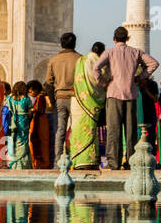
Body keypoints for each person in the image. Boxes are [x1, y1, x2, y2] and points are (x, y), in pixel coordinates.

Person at [94, 28, 158, 169]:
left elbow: (96, 67)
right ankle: (130, 162)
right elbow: (153, 63)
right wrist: (140, 77)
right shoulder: (136, 52)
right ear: (127, 38)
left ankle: (113, 163)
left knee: (113, 130)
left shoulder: (109, 52)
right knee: (131, 131)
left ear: (114, 38)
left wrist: (104, 83)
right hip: (131, 93)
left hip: (114, 93)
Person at [69, 42, 106, 169]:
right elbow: (101, 79)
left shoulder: (80, 60)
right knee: (89, 129)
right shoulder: (97, 60)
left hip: (76, 100)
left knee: (77, 128)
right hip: (90, 102)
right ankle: (88, 160)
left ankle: (77, 159)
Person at [44, 32, 80, 163]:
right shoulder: (80, 59)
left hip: (60, 98)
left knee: (60, 130)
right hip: (76, 99)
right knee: (77, 128)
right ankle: (76, 159)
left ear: (61, 44)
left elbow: (49, 83)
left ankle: (58, 161)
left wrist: (53, 101)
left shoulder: (54, 60)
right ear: (74, 43)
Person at [6, 81, 32, 169]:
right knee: (23, 144)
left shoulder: (9, 99)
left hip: (11, 124)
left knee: (12, 143)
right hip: (23, 124)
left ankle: (13, 164)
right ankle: (22, 165)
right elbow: (30, 113)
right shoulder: (26, 100)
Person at [26, 80, 51, 168]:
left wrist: (32, 110)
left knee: (42, 143)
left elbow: (40, 109)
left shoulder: (40, 97)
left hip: (40, 123)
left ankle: (42, 164)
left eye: (31, 91)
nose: (30, 94)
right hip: (39, 122)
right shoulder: (39, 97)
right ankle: (39, 164)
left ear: (36, 90)